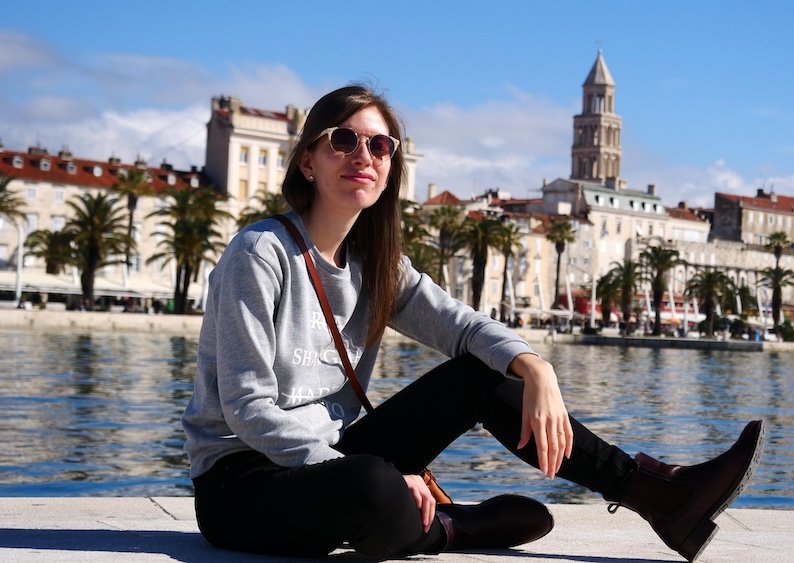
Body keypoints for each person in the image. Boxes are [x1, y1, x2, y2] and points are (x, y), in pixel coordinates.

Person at [182, 84, 764, 562]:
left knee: (478, 376)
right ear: (308, 160)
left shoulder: (379, 264)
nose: (363, 156)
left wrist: (535, 366)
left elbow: (461, 327)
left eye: (380, 146)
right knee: (372, 486)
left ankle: (660, 495)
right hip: (246, 482)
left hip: (335, 456)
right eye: (343, 141)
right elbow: (248, 408)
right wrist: (356, 469)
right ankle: (452, 527)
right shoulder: (260, 253)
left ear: (391, 168)